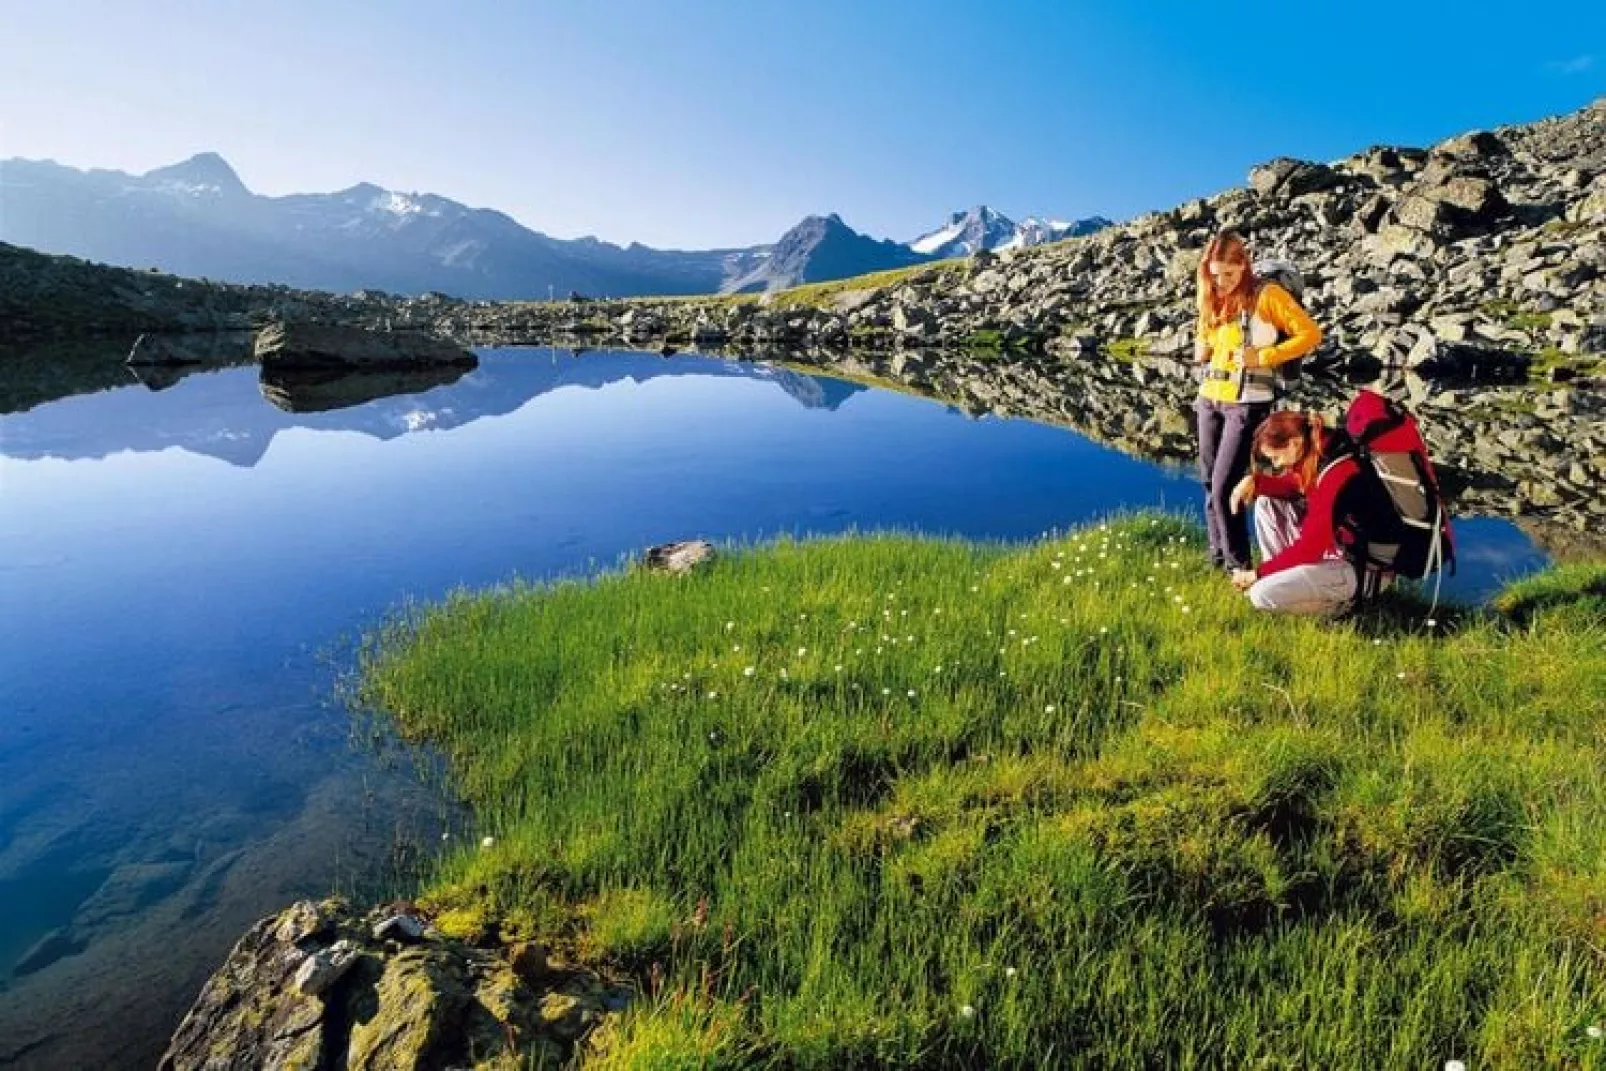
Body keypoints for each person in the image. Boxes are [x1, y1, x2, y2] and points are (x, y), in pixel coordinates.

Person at [1193, 230, 1322, 571]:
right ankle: (1217, 559)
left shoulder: (1268, 295)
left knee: (1225, 486)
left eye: (1229, 275)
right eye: (1215, 274)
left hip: (1248, 401)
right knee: (1209, 482)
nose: (1222, 282)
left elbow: (1310, 334)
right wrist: (1202, 345)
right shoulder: (1211, 294)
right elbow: (1204, 336)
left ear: (1244, 265)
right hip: (1209, 397)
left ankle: (1239, 567)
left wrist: (1265, 356)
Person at [1226, 410, 1394, 616]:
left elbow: (1310, 549)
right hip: (1342, 554)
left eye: (1275, 457)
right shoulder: (1323, 451)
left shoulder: (1338, 473)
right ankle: (1282, 581)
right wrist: (1256, 482)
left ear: (1294, 443)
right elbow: (1296, 486)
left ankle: (1345, 607)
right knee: (1266, 503)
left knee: (1261, 595)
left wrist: (1257, 574)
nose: (1276, 465)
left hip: (1364, 570)